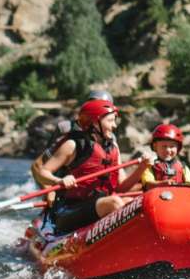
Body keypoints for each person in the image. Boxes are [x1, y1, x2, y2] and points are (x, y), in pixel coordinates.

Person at [30, 99, 131, 235]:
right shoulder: (73, 145)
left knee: (130, 201)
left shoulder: (112, 149)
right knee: (114, 203)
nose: (115, 126)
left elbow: (121, 186)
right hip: (69, 210)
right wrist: (58, 181)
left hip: (98, 204)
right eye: (110, 121)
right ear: (94, 122)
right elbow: (41, 171)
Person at [117, 123, 190, 191]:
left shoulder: (183, 167)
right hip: (157, 199)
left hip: (179, 199)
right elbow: (148, 185)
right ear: (155, 146)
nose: (168, 150)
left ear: (178, 148)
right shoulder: (149, 166)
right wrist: (162, 184)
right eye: (164, 146)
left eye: (172, 146)